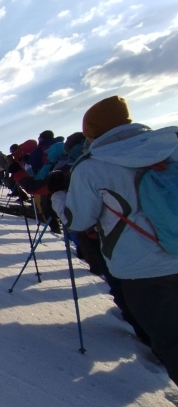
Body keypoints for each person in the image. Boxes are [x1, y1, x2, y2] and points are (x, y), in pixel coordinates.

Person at [52, 95, 178, 387]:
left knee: (171, 340)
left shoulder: (92, 166)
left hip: (141, 268)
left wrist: (59, 196)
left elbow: (77, 220)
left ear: (92, 132)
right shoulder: (171, 143)